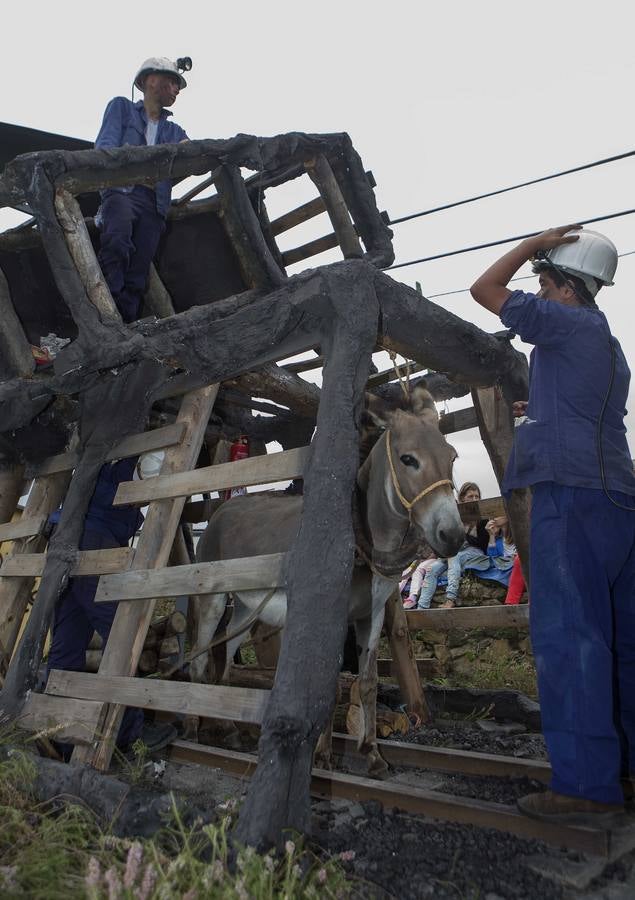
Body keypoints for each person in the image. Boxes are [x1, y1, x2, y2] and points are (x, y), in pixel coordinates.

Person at [471, 225, 635, 822]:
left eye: (544, 280)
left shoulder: (563, 323)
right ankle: (622, 773)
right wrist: (537, 408)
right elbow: (587, 411)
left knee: (570, 640)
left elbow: (483, 288)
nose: (536, 290)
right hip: (618, 500)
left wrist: (532, 241)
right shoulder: (608, 346)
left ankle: (586, 791)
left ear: (569, 288)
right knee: (619, 643)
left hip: (571, 498)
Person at [47, 454, 176, 759]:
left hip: (66, 538)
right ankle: (131, 734)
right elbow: (153, 471)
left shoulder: (103, 455)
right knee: (123, 633)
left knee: (68, 639)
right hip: (94, 541)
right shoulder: (141, 455)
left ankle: (56, 729)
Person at [95, 57, 189, 322]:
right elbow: (106, 146)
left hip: (154, 202)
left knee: (140, 267)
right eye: (172, 82)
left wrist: (186, 150)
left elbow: (191, 152)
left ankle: (126, 323)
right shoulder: (122, 108)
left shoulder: (173, 129)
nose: (177, 89)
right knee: (117, 244)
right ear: (151, 80)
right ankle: (106, 316)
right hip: (122, 190)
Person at [416, 482, 489, 609]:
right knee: (431, 569)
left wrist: (465, 532)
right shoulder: (456, 517)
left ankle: (450, 599)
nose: (474, 499)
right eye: (470, 496)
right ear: (462, 499)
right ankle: (422, 607)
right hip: (457, 552)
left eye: (477, 496)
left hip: (475, 551)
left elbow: (483, 543)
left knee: (454, 557)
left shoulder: (482, 518)